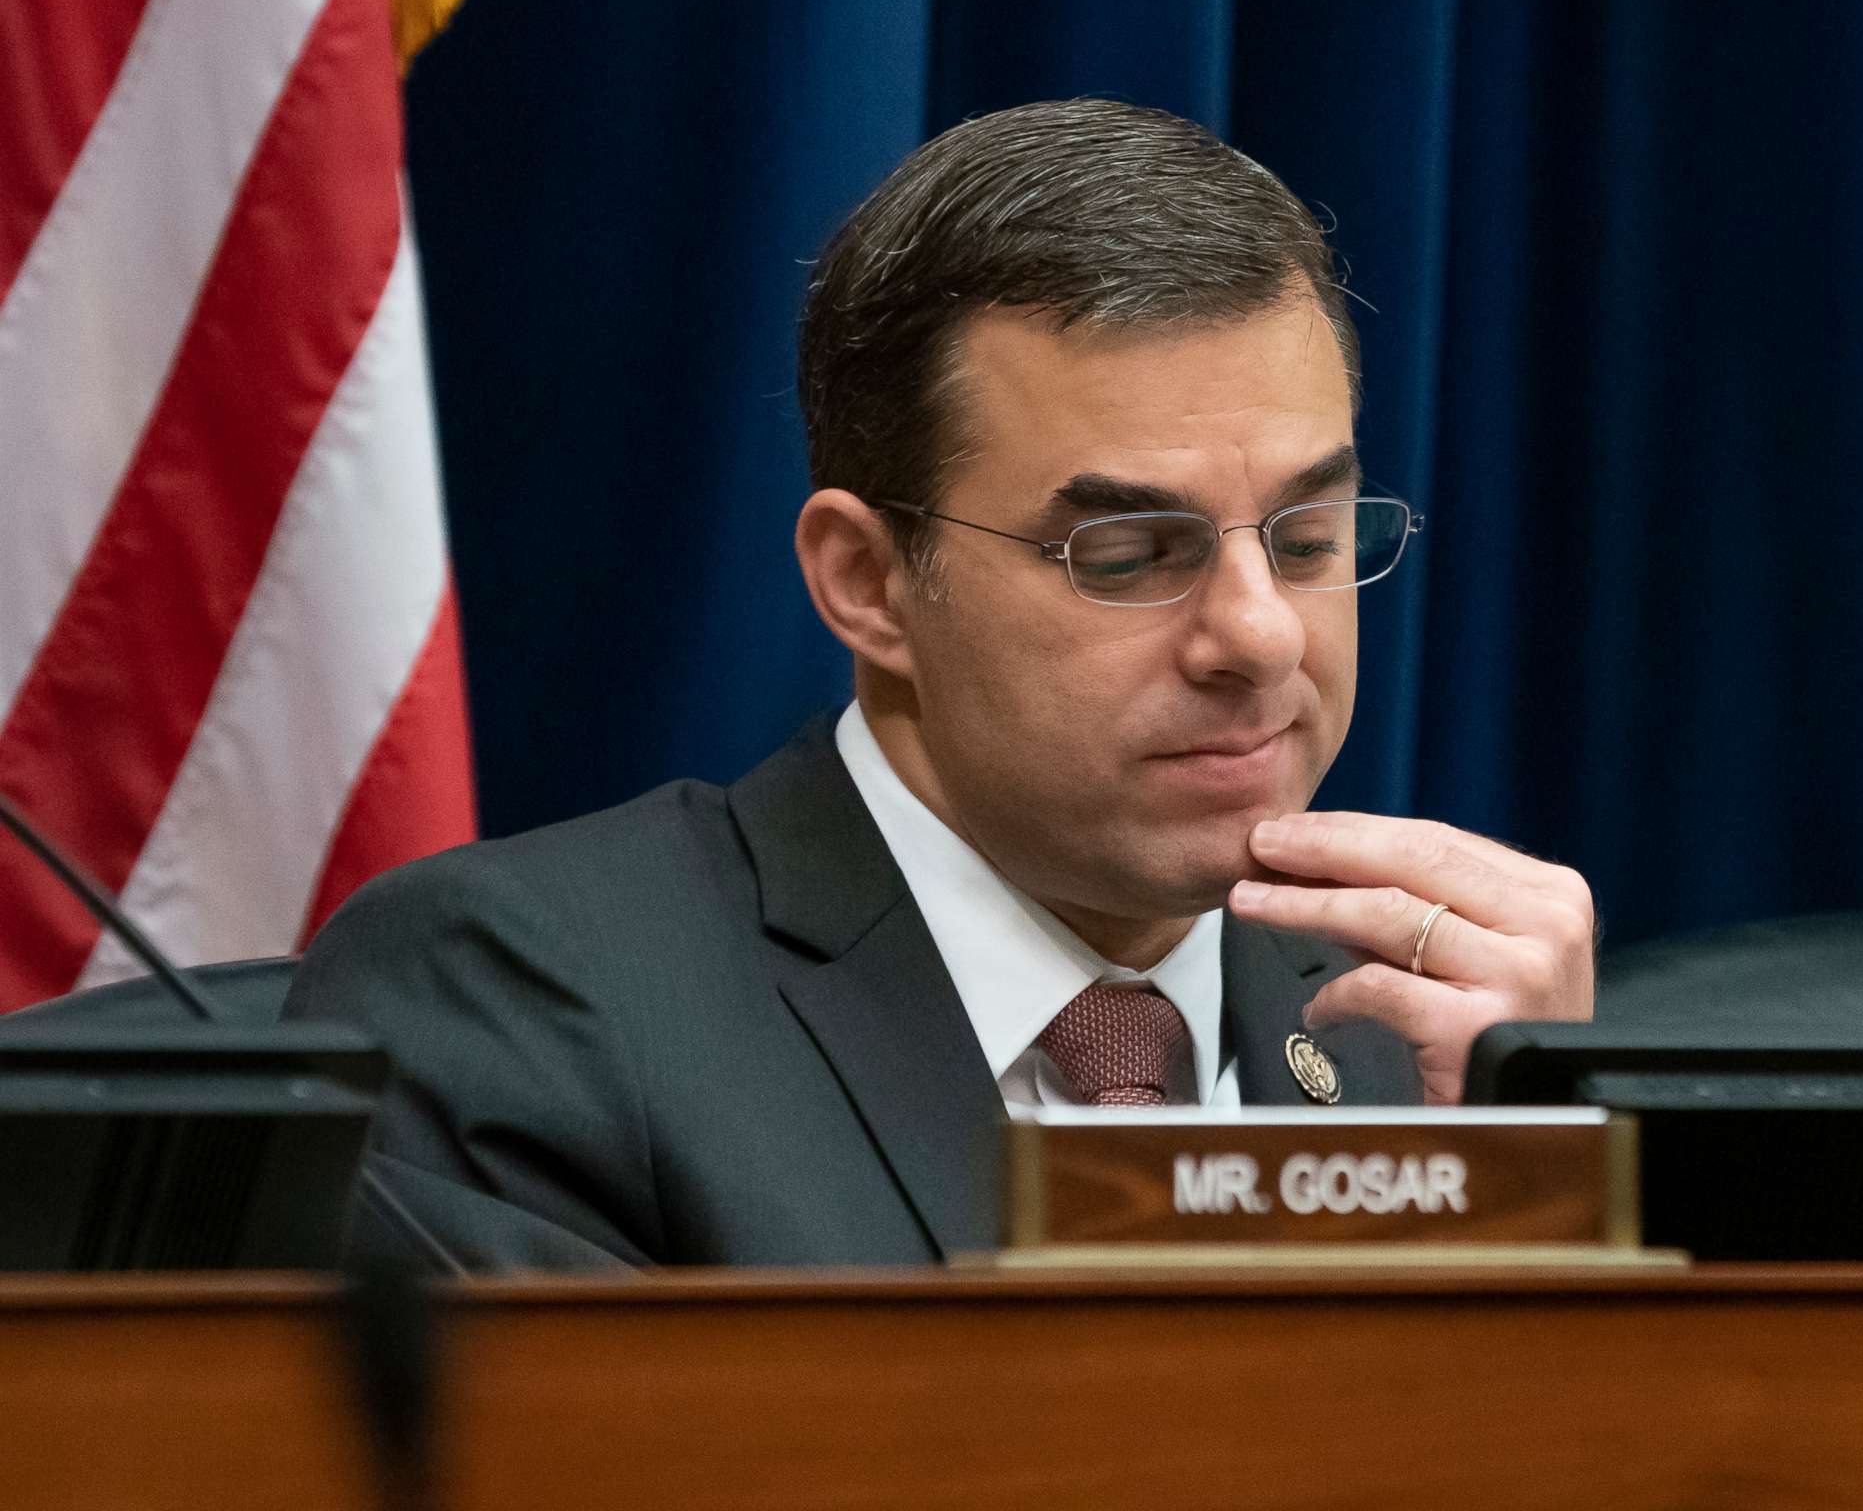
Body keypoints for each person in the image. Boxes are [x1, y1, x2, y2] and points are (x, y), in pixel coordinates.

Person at [288, 99, 1595, 1270]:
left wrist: (1536, 1195)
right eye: (1131, 556)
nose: (1258, 637)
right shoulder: (520, 1005)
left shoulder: (1420, 1034)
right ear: (866, 578)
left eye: (1308, 541)